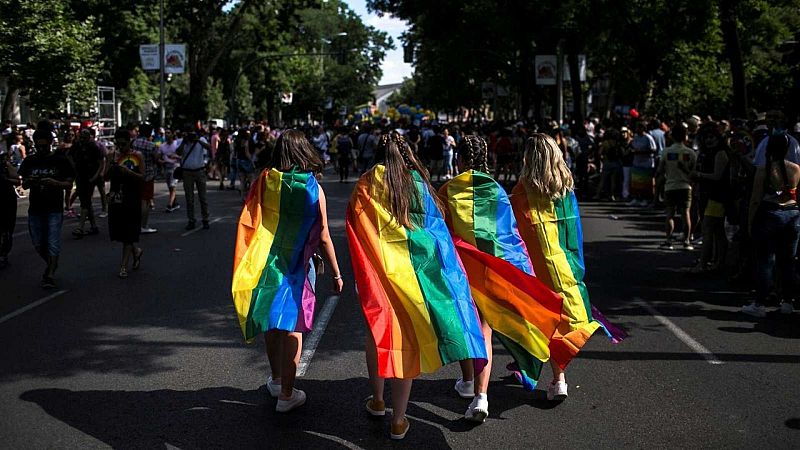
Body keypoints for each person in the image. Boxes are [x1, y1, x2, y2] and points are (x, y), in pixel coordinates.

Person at [346, 132, 487, 439]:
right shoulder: (419, 185)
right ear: (408, 154)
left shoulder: (365, 186)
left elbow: (356, 231)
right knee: (406, 342)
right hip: (415, 278)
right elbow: (437, 236)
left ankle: (378, 400)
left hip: (380, 276)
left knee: (379, 335)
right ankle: (398, 419)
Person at [441, 135, 564, 423]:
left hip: (465, 272)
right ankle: (483, 392)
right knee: (498, 328)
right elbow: (509, 234)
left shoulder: (448, 189)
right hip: (496, 270)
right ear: (487, 159)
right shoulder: (495, 189)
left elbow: (440, 231)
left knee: (474, 329)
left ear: (459, 159)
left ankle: (474, 388)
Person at [232, 129, 343, 413]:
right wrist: (337, 273)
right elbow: (325, 236)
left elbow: (250, 220)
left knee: (271, 321)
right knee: (294, 325)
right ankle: (287, 393)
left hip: (267, 263)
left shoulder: (264, 181)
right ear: (304, 151)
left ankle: (276, 378)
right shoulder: (312, 188)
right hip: (299, 264)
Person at [510, 133, 622, 401]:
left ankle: (542, 371)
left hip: (534, 268)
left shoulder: (522, 190)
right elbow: (573, 231)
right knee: (559, 323)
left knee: (534, 321)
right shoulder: (565, 188)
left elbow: (512, 232)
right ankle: (558, 380)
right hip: (564, 266)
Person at [742, 134, 799, 317]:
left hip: (769, 212)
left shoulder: (764, 169)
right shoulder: (796, 169)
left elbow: (756, 199)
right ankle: (788, 302)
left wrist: (750, 221)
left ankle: (760, 303)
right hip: (792, 213)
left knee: (765, 261)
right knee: (788, 261)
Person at [18, 123, 75, 288]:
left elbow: (68, 184)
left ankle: (50, 272)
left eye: (44, 146)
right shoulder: (30, 161)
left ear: (50, 144)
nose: (41, 149)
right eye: (38, 146)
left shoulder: (60, 160)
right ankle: (51, 262)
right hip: (35, 208)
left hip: (54, 208)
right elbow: (24, 184)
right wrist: (30, 181)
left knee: (52, 241)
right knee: (38, 242)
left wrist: (54, 183)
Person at [692, 123, 731, 272]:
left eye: (712, 137)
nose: (708, 140)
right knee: (717, 231)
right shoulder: (705, 152)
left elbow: (717, 176)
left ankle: (704, 263)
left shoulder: (720, 153)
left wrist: (699, 175)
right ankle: (717, 262)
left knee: (708, 229)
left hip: (717, 197)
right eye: (705, 137)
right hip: (706, 195)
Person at [107, 129, 144, 279]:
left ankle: (123, 266)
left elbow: (142, 177)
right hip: (117, 198)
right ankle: (136, 251)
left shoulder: (137, 156)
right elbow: (105, 176)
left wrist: (128, 172)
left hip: (132, 198)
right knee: (119, 232)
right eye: (118, 144)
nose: (121, 147)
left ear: (130, 142)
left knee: (129, 233)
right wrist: (109, 166)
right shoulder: (112, 155)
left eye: (124, 144)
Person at [656, 125, 697, 250]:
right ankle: (687, 241)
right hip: (686, 186)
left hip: (670, 186)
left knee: (670, 214)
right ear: (685, 136)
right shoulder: (690, 153)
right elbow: (693, 172)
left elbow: (660, 170)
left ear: (672, 136)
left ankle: (668, 241)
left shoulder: (666, 152)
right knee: (686, 214)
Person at [71, 129, 104, 237]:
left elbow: (100, 162)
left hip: (90, 177)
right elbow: (69, 155)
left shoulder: (94, 147)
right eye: (81, 137)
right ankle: (93, 226)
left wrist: (95, 176)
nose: (82, 140)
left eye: (85, 137)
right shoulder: (77, 146)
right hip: (80, 176)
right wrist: (74, 167)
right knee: (86, 202)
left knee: (85, 202)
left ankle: (80, 227)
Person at [177, 128, 211, 230]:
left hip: (199, 171)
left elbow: (209, 148)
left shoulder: (201, 140)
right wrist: (184, 141)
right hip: (187, 172)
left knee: (203, 198)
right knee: (189, 198)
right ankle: (191, 220)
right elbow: (178, 152)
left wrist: (198, 140)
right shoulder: (184, 142)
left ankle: (205, 219)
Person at [131, 124, 158, 234]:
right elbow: (156, 159)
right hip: (148, 174)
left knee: (135, 200)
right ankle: (144, 225)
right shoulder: (152, 145)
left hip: (134, 173)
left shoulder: (133, 143)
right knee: (145, 201)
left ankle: (134, 224)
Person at [0, 150, 21, 268]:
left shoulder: (5, 166)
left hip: (6, 199)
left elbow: (18, 181)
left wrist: (6, 179)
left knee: (7, 228)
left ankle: (4, 253)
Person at [158, 132, 181, 212]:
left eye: (169, 134)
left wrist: (176, 156)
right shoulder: (162, 146)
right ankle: (175, 203)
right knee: (170, 187)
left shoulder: (177, 144)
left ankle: (170, 205)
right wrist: (161, 162)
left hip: (175, 166)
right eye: (166, 135)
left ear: (172, 136)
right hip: (166, 167)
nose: (167, 136)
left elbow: (182, 156)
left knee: (172, 186)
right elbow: (158, 158)